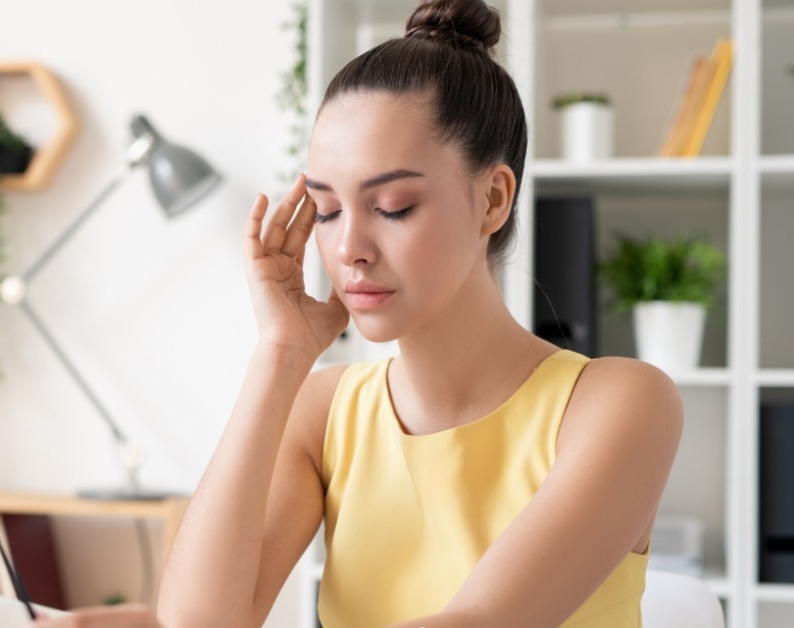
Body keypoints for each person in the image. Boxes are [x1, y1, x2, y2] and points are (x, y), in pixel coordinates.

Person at [33, 0, 681, 625]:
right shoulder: (324, 412)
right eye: (328, 210)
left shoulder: (619, 403)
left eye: (393, 206)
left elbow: (474, 623)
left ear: (492, 199)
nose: (348, 250)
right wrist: (280, 354)